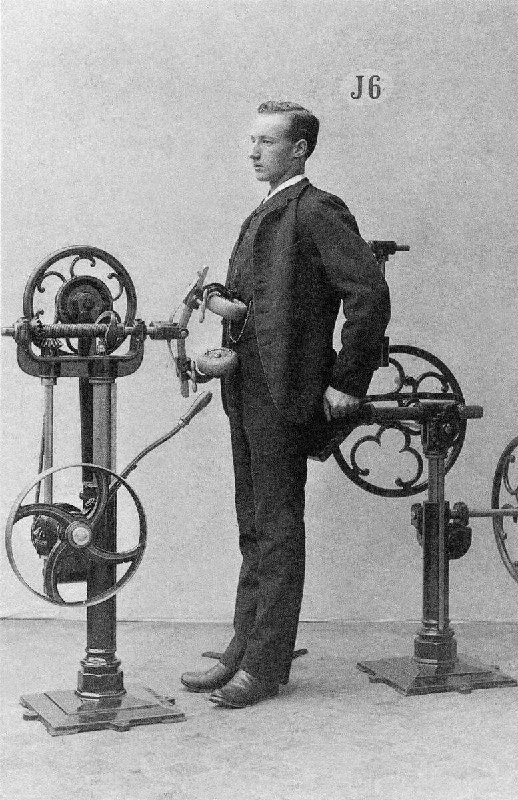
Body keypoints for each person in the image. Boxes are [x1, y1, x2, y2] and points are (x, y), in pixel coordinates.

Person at [181, 101, 390, 708]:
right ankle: (242, 650)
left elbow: (368, 294)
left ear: (299, 149)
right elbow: (258, 298)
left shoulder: (318, 210)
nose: (254, 151)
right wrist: (221, 298)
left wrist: (348, 380)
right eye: (252, 140)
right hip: (247, 389)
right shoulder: (264, 212)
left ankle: (265, 666)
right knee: (253, 524)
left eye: (267, 141)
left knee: (275, 527)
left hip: (285, 392)